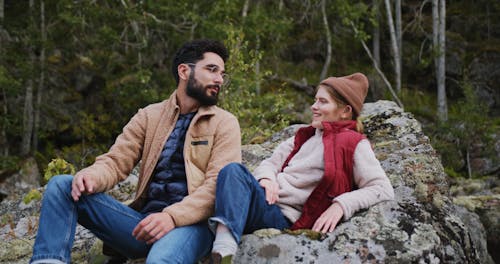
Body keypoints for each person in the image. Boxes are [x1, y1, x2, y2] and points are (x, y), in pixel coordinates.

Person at [30, 39, 242, 264]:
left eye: (222, 73)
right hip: (142, 225)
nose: (219, 79)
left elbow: (216, 188)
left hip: (192, 227)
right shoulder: (149, 116)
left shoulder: (225, 123)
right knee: (62, 185)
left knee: (160, 260)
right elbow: (115, 162)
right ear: (184, 71)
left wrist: (171, 217)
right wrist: (91, 176)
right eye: (211, 70)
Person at [207, 73, 395, 262]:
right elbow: (270, 163)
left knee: (233, 172)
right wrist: (266, 178)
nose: (314, 107)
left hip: (283, 217)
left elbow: (382, 188)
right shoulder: (304, 136)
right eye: (315, 100)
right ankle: (223, 248)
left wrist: (341, 205)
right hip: (263, 201)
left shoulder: (354, 143)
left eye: (323, 102)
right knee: (232, 171)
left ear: (345, 111)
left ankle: (224, 254)